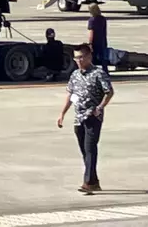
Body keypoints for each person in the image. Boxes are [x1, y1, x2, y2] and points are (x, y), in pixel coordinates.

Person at [57, 43, 114, 193]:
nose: (79, 61)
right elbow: (70, 95)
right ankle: (93, 181)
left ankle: (87, 182)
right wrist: (62, 113)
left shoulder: (98, 73)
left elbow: (109, 92)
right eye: (76, 58)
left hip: (92, 116)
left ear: (89, 56)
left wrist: (100, 107)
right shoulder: (75, 75)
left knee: (90, 148)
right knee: (84, 150)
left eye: (82, 57)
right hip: (78, 117)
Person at [87, 3, 109, 73]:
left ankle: (92, 72)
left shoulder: (91, 20)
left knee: (92, 58)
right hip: (102, 40)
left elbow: (91, 32)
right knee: (103, 58)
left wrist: (90, 43)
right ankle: (105, 72)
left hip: (95, 42)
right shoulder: (103, 19)